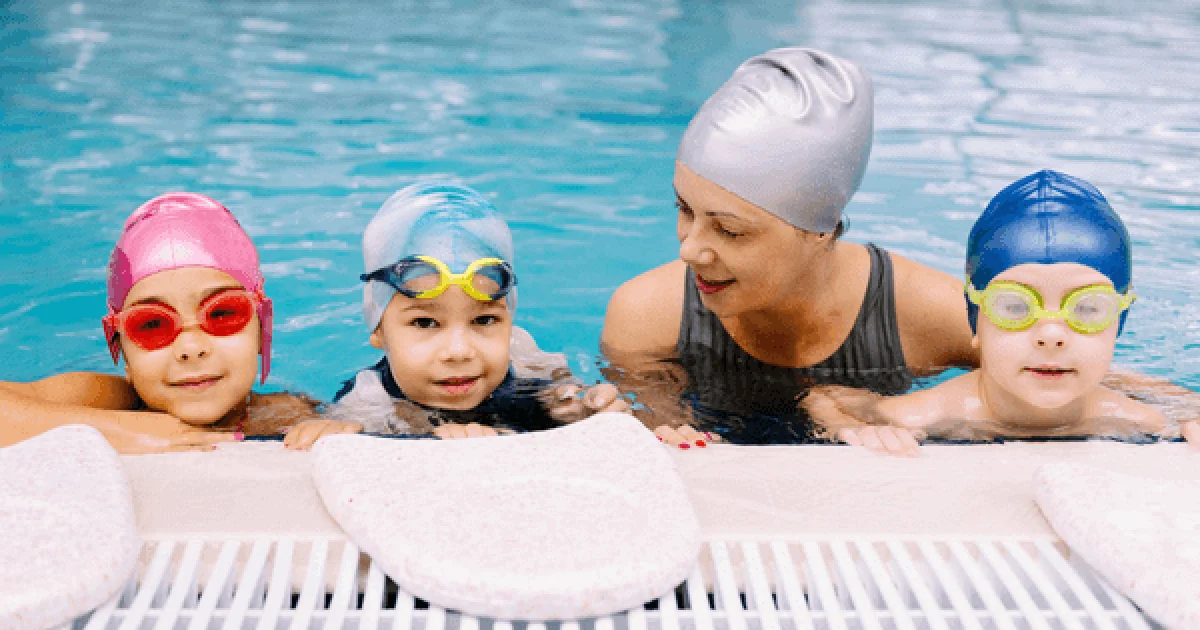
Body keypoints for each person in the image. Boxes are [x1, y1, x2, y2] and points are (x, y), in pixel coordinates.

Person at [601, 47, 978, 446]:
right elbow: (650, 434)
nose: (690, 251)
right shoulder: (645, 316)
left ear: (820, 229)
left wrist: (898, 412)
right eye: (685, 209)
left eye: (729, 230)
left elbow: (1045, 390)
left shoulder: (926, 312)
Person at [803, 170, 1199, 455]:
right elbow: (824, 396)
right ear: (976, 320)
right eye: (1015, 306)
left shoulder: (1141, 420)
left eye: (1087, 308)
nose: (1051, 335)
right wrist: (851, 429)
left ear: (1119, 324)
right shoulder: (930, 413)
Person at [0, 193, 359, 452]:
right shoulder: (106, 401)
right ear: (120, 347)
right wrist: (121, 429)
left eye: (222, 314)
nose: (190, 348)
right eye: (152, 325)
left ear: (262, 328)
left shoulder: (289, 414)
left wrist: (336, 434)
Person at [330, 182, 627, 438]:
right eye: (424, 322)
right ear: (378, 330)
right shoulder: (366, 404)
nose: (459, 352)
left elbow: (564, 396)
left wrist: (585, 409)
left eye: (484, 319)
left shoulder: (524, 357)